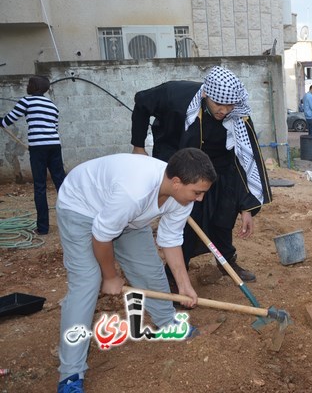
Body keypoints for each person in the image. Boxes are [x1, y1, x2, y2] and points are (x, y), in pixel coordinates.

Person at [56, 148, 216, 393]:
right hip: (81, 207)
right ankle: (70, 373)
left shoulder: (182, 197)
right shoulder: (134, 191)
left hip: (130, 218)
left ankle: (167, 322)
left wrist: (184, 285)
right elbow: (101, 236)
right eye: (197, 192)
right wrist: (109, 276)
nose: (200, 199)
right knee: (87, 282)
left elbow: (171, 239)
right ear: (176, 182)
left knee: (149, 270)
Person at [131, 67, 272, 283]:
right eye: (218, 104)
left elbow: (244, 161)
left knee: (224, 215)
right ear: (206, 94)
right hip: (181, 161)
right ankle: (175, 275)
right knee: (185, 219)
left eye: (230, 105)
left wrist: (245, 206)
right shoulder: (175, 95)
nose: (224, 111)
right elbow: (141, 102)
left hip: (219, 168)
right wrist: (138, 146)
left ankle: (226, 262)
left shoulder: (238, 116)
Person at [1, 75, 66, 235]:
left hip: (38, 148)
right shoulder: (52, 105)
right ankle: (72, 222)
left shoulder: (27, 101)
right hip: (54, 145)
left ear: (33, 87)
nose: (27, 86)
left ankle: (43, 228)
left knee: (40, 187)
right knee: (62, 184)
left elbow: (8, 120)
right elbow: (55, 127)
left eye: (29, 84)